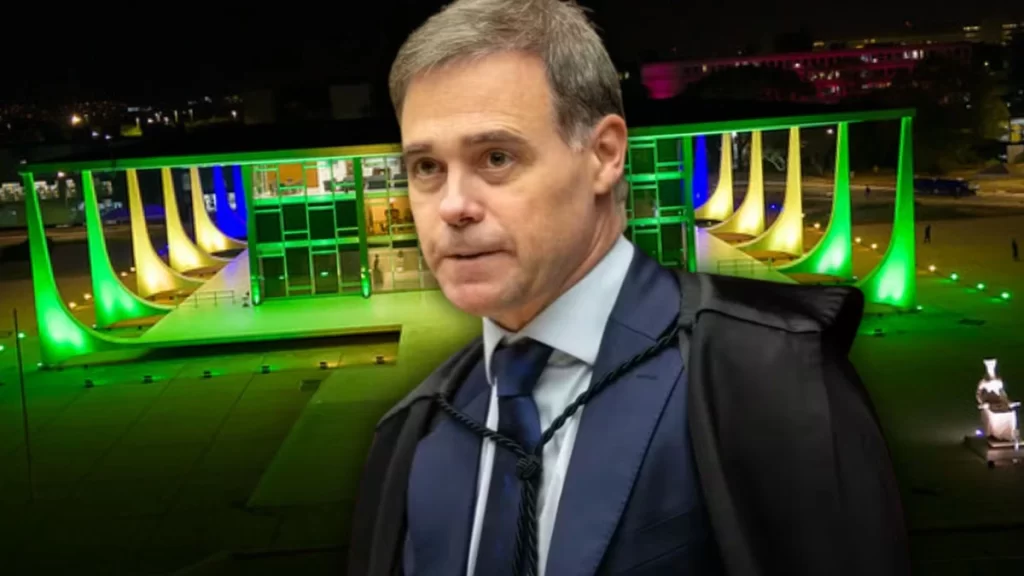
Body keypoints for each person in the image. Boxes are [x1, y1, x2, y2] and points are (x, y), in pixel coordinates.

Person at [348, 1, 909, 575]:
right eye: (426, 168)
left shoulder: (772, 373)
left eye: (496, 157)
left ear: (604, 155)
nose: (453, 206)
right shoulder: (413, 434)